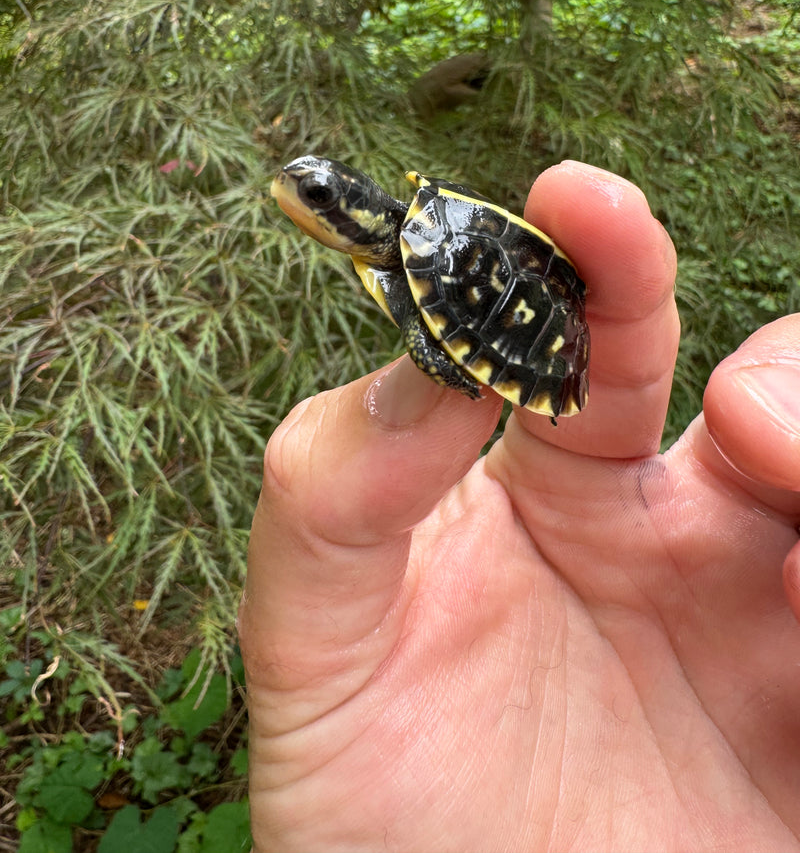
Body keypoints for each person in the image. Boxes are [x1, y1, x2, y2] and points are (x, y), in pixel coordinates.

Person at [238, 161, 800, 852]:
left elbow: (443, 335)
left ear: (352, 210)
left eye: (321, 194)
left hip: (543, 346)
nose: (307, 198)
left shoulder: (418, 256)